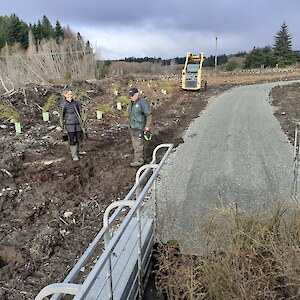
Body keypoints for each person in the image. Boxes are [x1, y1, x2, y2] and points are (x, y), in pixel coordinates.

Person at [128, 87, 152, 167]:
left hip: (139, 127)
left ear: (137, 94)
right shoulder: (131, 103)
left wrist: (147, 126)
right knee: (135, 144)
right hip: (133, 127)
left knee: (138, 145)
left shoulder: (142, 103)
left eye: (132, 95)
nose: (131, 97)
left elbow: (148, 115)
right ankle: (139, 158)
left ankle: (139, 161)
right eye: (130, 96)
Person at [59, 90, 82, 161]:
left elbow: (78, 112)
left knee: (78, 138)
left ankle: (77, 153)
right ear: (65, 95)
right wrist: (62, 125)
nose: (70, 96)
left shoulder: (75, 103)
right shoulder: (63, 104)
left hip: (77, 123)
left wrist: (81, 122)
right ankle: (74, 155)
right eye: (68, 94)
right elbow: (61, 115)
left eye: (71, 94)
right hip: (69, 124)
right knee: (72, 139)